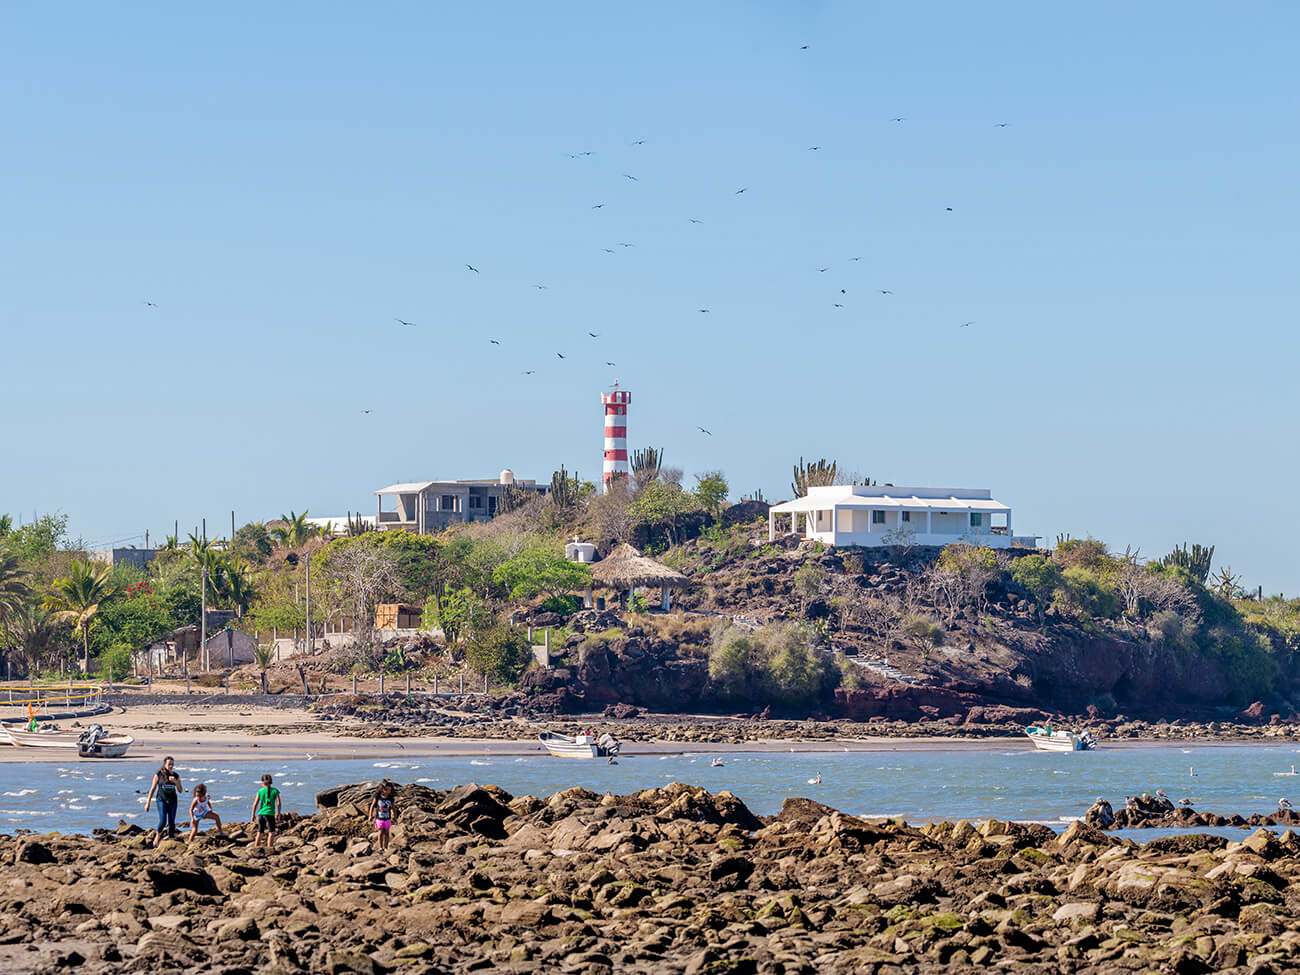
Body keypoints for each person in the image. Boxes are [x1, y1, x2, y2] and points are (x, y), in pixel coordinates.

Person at [144, 756, 184, 847]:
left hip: (173, 801)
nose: (171, 766)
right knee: (162, 821)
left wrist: (175, 782)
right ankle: (157, 838)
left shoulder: (176, 775)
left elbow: (180, 790)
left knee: (171, 822)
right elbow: (153, 789)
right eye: (169, 764)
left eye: (172, 764)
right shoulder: (159, 774)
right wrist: (148, 803)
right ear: (165, 764)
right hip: (161, 800)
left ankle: (171, 841)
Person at [251, 773, 281, 849]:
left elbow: (255, 804)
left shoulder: (260, 791)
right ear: (271, 782)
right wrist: (278, 814)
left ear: (262, 782)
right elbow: (279, 803)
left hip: (261, 814)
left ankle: (255, 848)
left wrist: (253, 815)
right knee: (271, 832)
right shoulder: (275, 791)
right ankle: (269, 848)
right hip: (270, 814)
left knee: (260, 832)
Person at [367, 780, 396, 851]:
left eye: (389, 790)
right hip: (379, 818)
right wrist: (370, 815)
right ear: (382, 789)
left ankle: (385, 847)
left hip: (387, 818)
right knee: (380, 832)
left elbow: (393, 808)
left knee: (386, 832)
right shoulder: (378, 797)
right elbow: (372, 806)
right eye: (386, 790)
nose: (388, 791)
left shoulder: (390, 798)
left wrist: (395, 816)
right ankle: (380, 847)